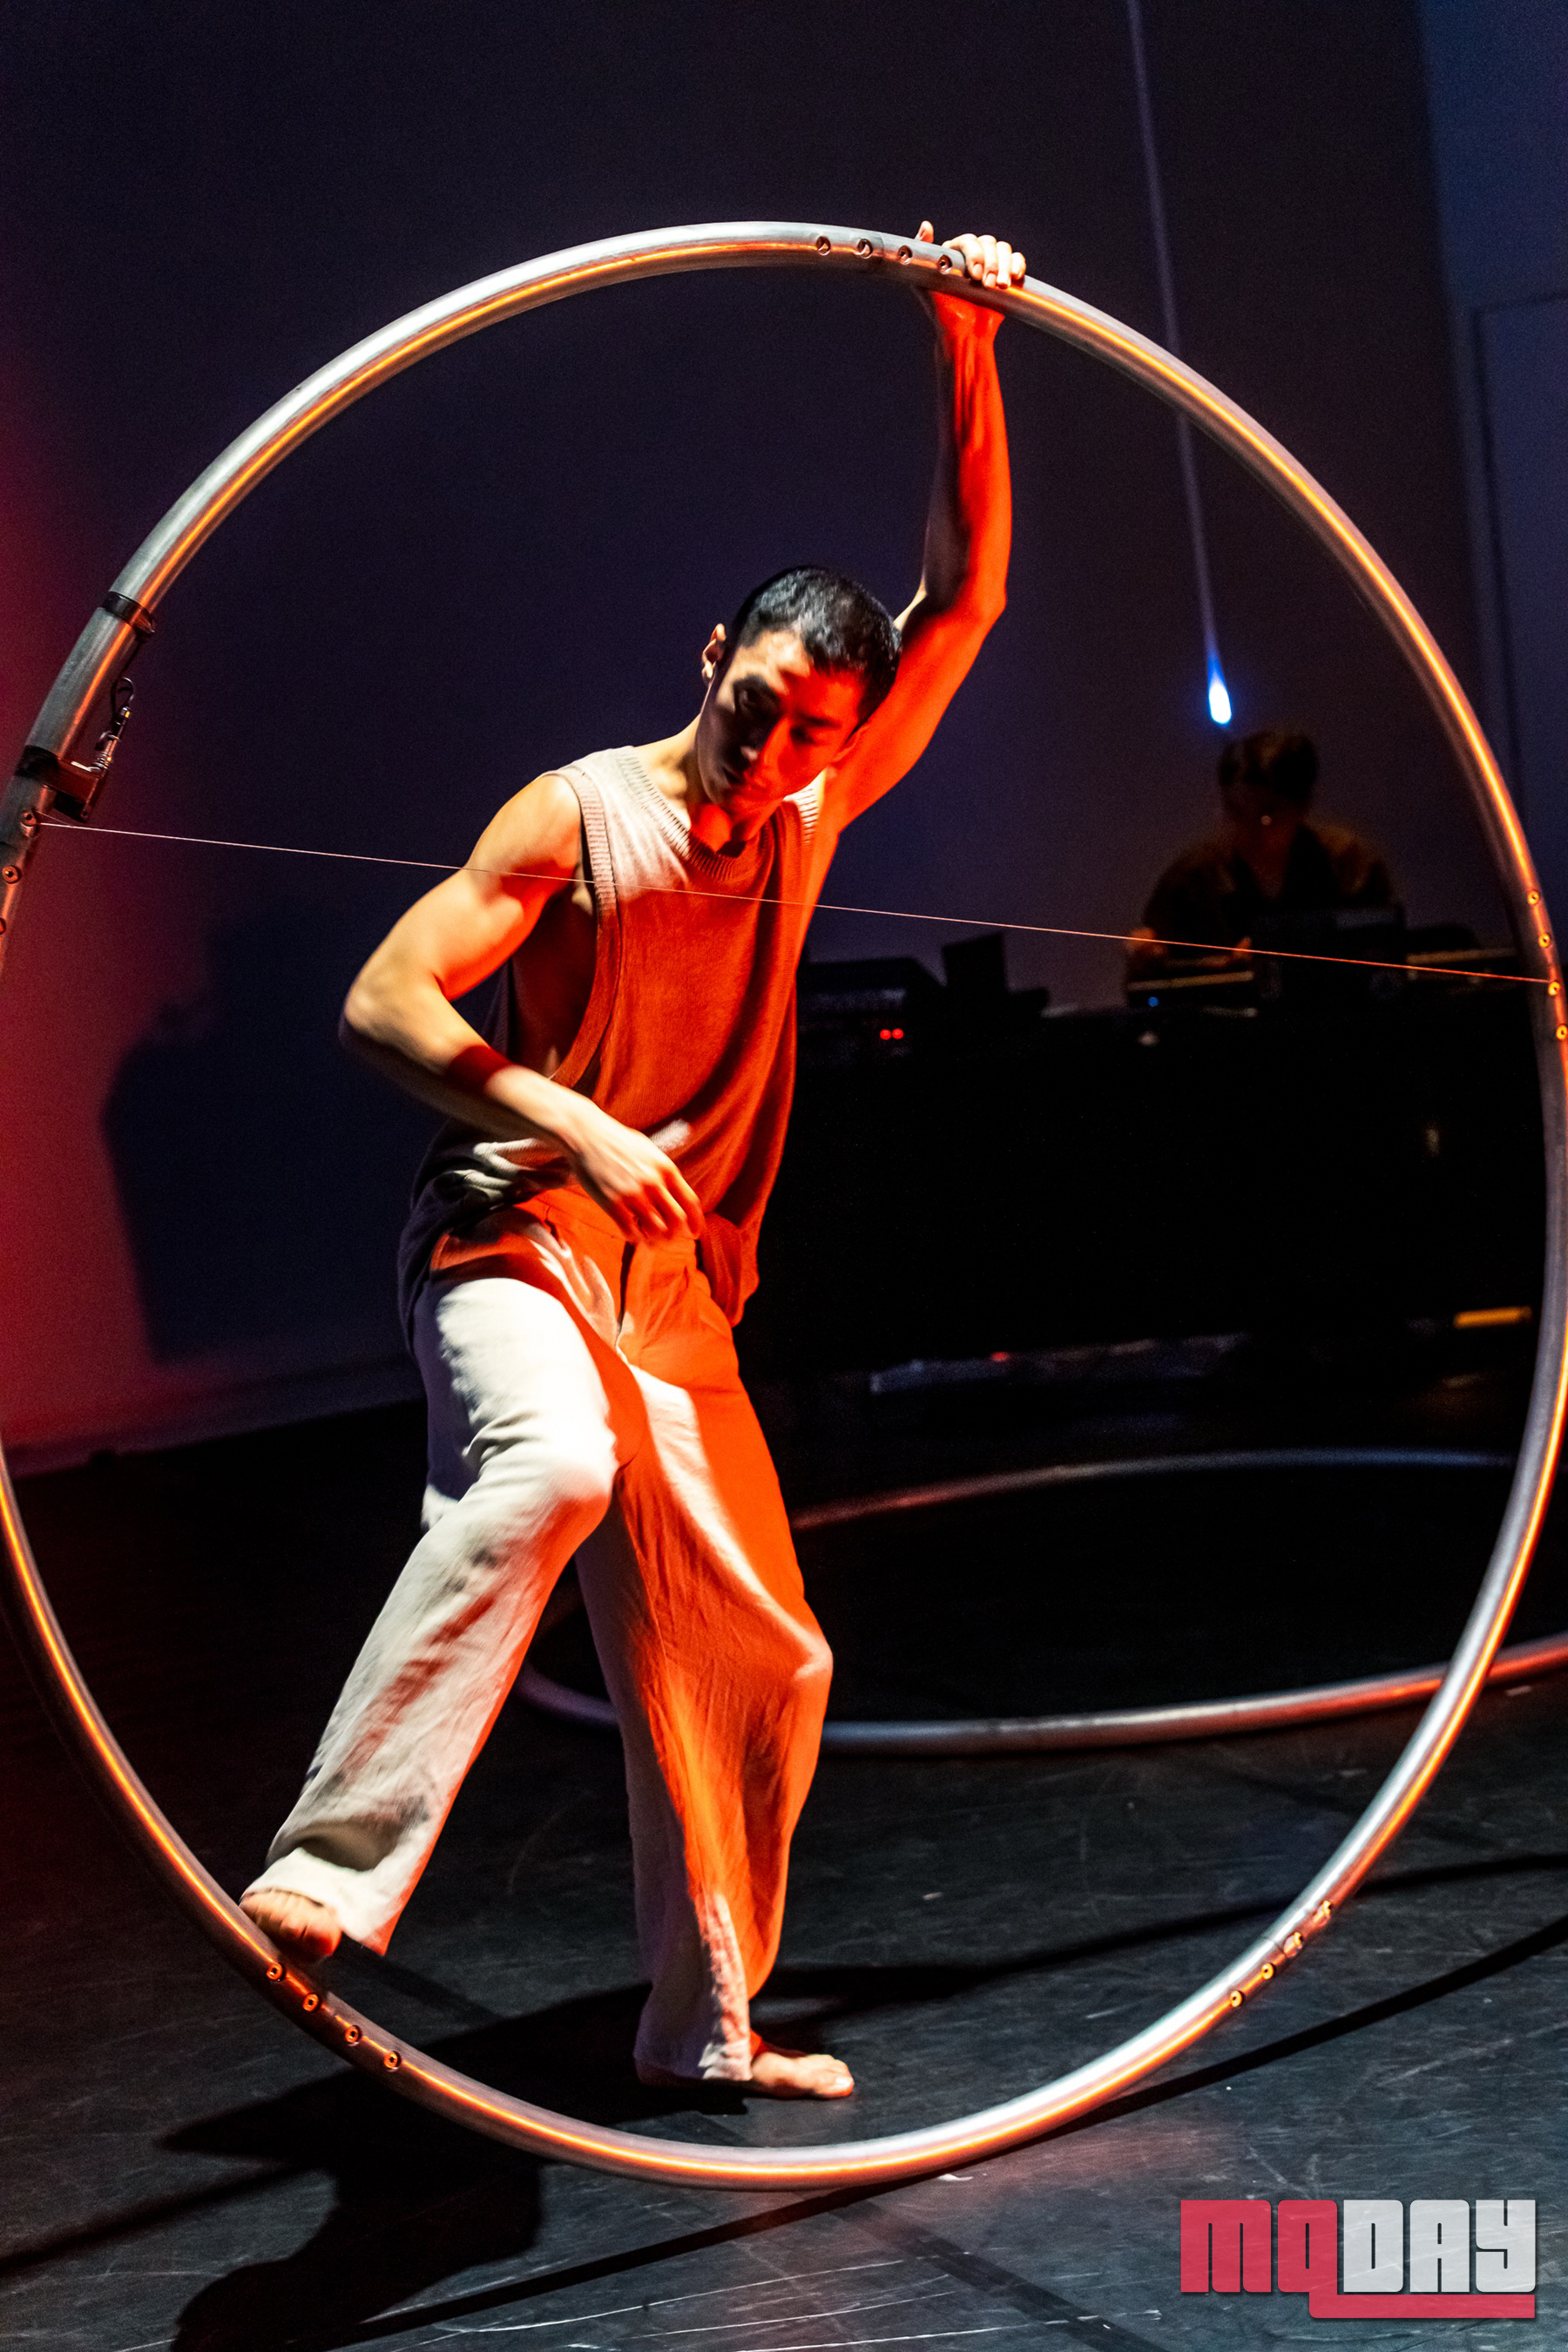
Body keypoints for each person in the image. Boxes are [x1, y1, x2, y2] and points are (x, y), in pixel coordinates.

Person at [240, 221, 1024, 2099]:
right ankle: (322, 1875)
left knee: (765, 1659)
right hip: (511, 1245)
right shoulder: (578, 813)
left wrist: (967, 343)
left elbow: (964, 602)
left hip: (672, 1299)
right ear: (714, 657)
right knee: (553, 1468)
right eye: (757, 708)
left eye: (811, 734)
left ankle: (704, 2031)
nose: (772, 755)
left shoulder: (813, 806)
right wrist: (569, 1113)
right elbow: (380, 1003)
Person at [1126, 727, 1394, 977]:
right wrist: (1146, 958)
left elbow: (1382, 968)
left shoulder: (1349, 866)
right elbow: (1149, 989)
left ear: (1302, 807)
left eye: (1267, 817)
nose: (1248, 832)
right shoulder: (1192, 880)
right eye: (1235, 812)